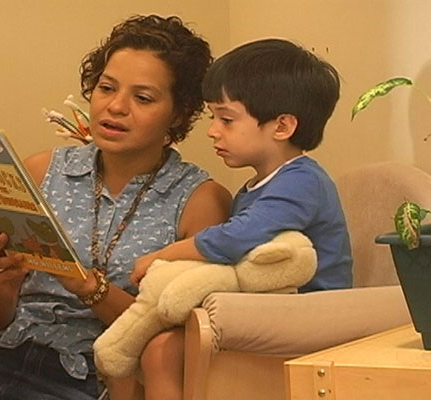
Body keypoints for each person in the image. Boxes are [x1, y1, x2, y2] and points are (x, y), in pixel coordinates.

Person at [0, 14, 232, 400]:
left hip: (94, 379)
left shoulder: (200, 200)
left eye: (143, 98)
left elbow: (180, 339)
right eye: (106, 88)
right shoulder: (42, 170)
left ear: (179, 113)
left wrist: (89, 287)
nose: (115, 107)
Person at [130, 38, 353, 399]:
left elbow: (234, 240)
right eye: (213, 117)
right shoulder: (258, 185)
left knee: (162, 351)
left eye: (227, 119)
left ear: (282, 127)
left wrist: (162, 256)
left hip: (313, 318)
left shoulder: (302, 181)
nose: (213, 130)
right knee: (154, 348)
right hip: (275, 310)